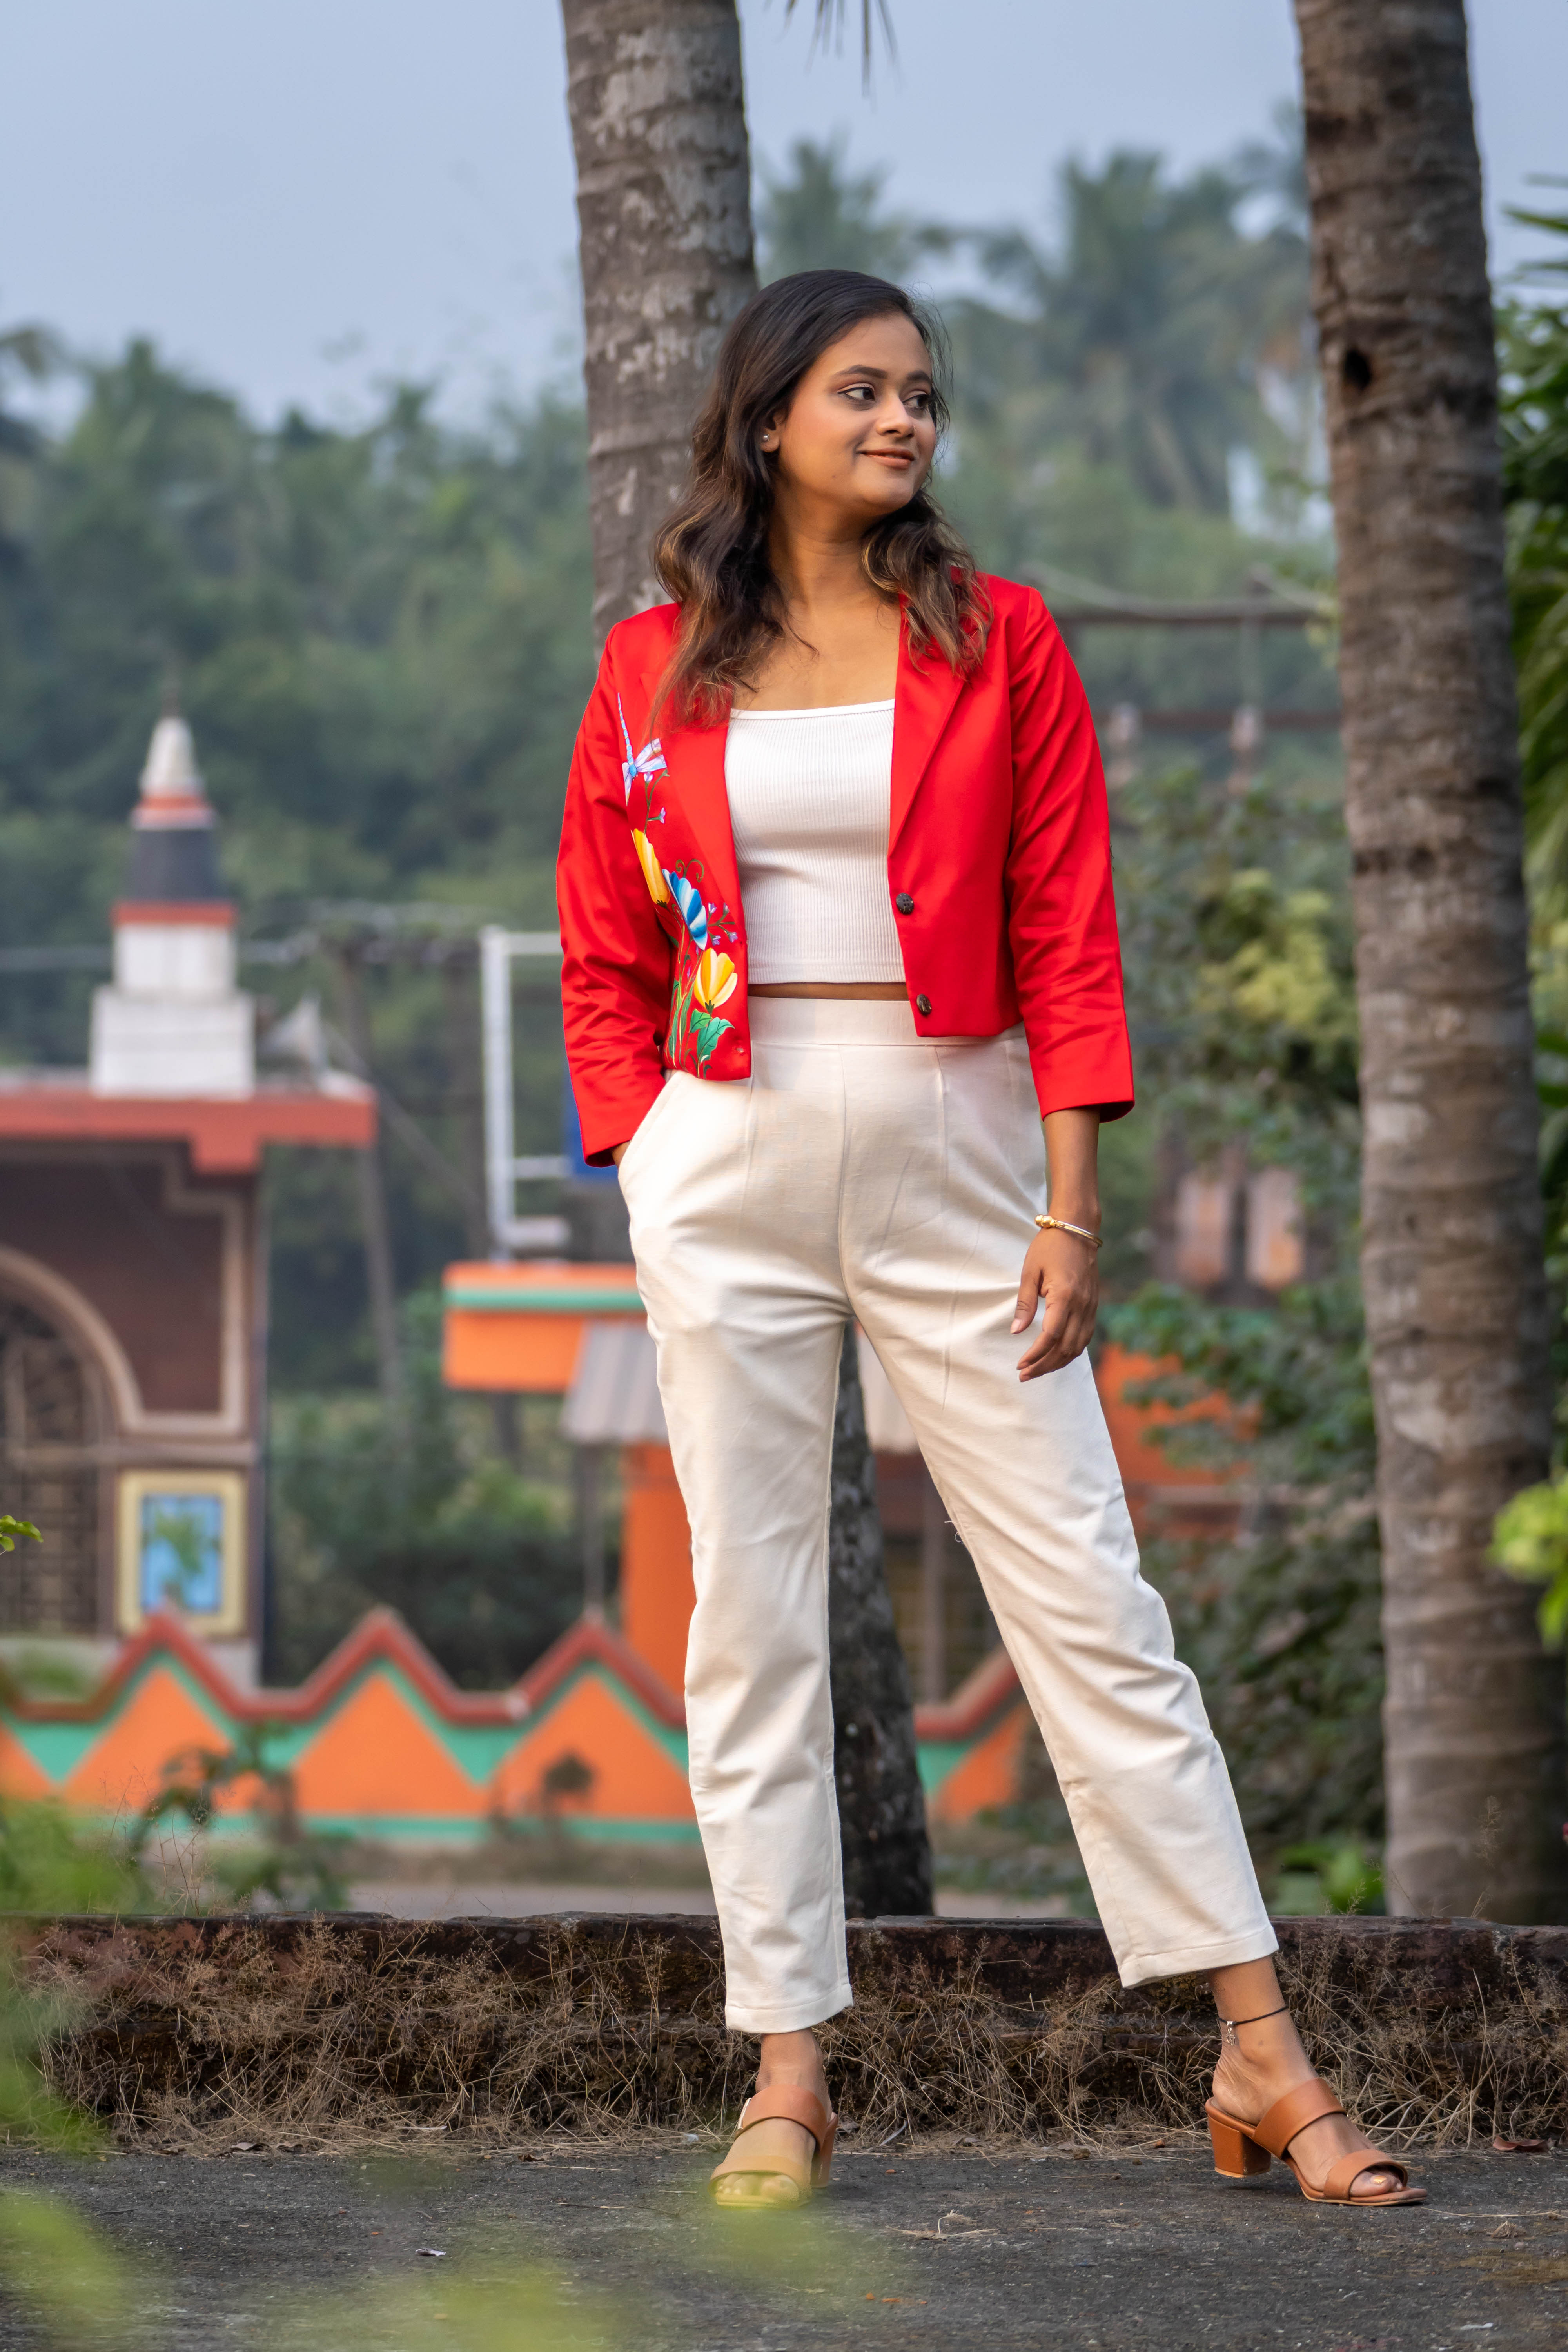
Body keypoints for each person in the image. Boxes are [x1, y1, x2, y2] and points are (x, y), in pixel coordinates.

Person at [556, 270, 1420, 2215]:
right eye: (860, 391)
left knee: (1093, 1605)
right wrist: (644, 1149)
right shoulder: (650, 665)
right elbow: (602, 942)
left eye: (921, 397)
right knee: (751, 1623)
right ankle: (787, 2075)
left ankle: (1261, 2054)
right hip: (725, 1142)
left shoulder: (997, 638)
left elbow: (1065, 925)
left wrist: (1070, 1199)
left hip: (956, 1132)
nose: (901, 421)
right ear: (766, 418)